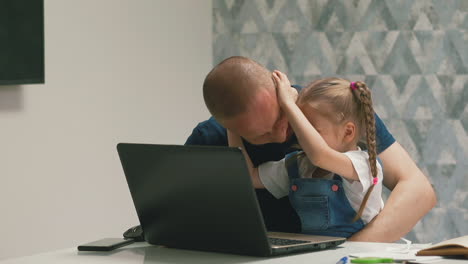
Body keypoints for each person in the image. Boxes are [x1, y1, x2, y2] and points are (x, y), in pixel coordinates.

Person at [186, 56, 436, 242]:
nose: (281, 134)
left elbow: (419, 191)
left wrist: (349, 251)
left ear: (282, 90)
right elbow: (178, 221)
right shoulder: (211, 138)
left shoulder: (333, 113)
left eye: (281, 117)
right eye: (261, 134)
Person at [230, 71, 385, 238]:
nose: (301, 134)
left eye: (312, 130)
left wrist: (288, 103)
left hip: (360, 254)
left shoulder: (363, 165)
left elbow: (320, 155)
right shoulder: (300, 165)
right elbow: (250, 177)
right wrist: (232, 128)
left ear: (348, 132)